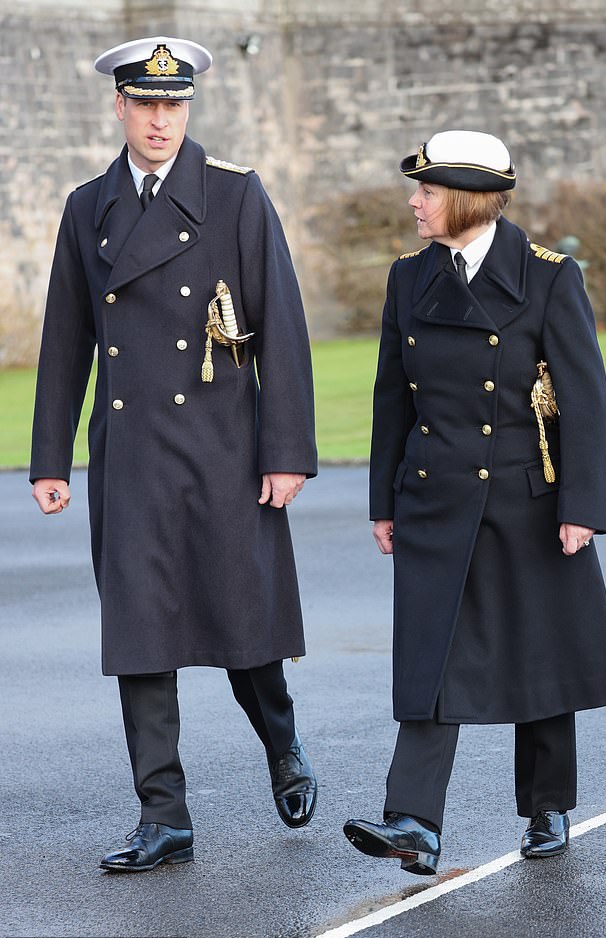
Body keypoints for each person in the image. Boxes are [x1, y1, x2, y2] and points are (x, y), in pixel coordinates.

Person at [30, 36, 318, 872]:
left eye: (175, 104)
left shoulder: (234, 194)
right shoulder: (88, 207)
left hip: (224, 448)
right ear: (119, 106)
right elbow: (66, 340)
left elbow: (284, 331)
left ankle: (283, 742)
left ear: (188, 107)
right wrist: (52, 457)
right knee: (141, 634)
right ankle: (165, 813)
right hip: (131, 455)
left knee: (244, 622)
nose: (161, 119)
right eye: (146, 103)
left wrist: (287, 449)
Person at [343, 130, 606, 875]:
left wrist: (581, 505)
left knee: (539, 651)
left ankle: (546, 804)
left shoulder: (548, 277)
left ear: (467, 198)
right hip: (433, 494)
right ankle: (413, 818)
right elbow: (390, 397)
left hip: (525, 495)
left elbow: (584, 399)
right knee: (427, 658)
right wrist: (384, 500)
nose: (414, 202)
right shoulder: (409, 279)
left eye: (427, 191)